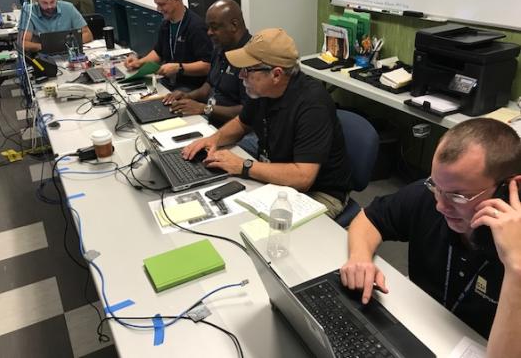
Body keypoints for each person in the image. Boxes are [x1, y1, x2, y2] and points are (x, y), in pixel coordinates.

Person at [340, 118, 521, 357]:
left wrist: (516, 268)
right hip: (421, 329)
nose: (441, 205)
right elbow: (371, 219)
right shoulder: (432, 195)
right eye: (436, 186)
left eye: (458, 196)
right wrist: (360, 257)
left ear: (510, 188)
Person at [182, 28, 352, 217]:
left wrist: (244, 166)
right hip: (276, 176)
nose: (241, 76)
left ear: (276, 74)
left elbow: (303, 177)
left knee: (264, 236)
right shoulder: (261, 90)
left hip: (318, 192)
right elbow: (242, 123)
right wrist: (214, 139)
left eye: (247, 70)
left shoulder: (313, 105)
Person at [162, 0, 251, 125]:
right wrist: (188, 96)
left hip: (235, 127)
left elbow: (249, 111)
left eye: (214, 28)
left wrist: (204, 109)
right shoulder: (220, 47)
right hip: (210, 117)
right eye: (208, 27)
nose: (209, 33)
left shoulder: (251, 57)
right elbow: (209, 85)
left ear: (234, 25)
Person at [124, 0, 212, 91]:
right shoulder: (166, 24)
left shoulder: (196, 27)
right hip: (168, 81)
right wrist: (139, 63)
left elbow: (207, 65)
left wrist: (179, 68)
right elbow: (158, 52)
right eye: (157, 5)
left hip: (190, 86)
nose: (158, 9)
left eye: (162, 4)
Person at [18, 0, 93, 53]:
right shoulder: (29, 11)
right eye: (44, 3)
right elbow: (23, 43)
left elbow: (88, 34)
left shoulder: (68, 8)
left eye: (52, 2)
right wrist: (49, 47)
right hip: (42, 55)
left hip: (67, 53)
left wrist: (67, 45)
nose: (49, 6)